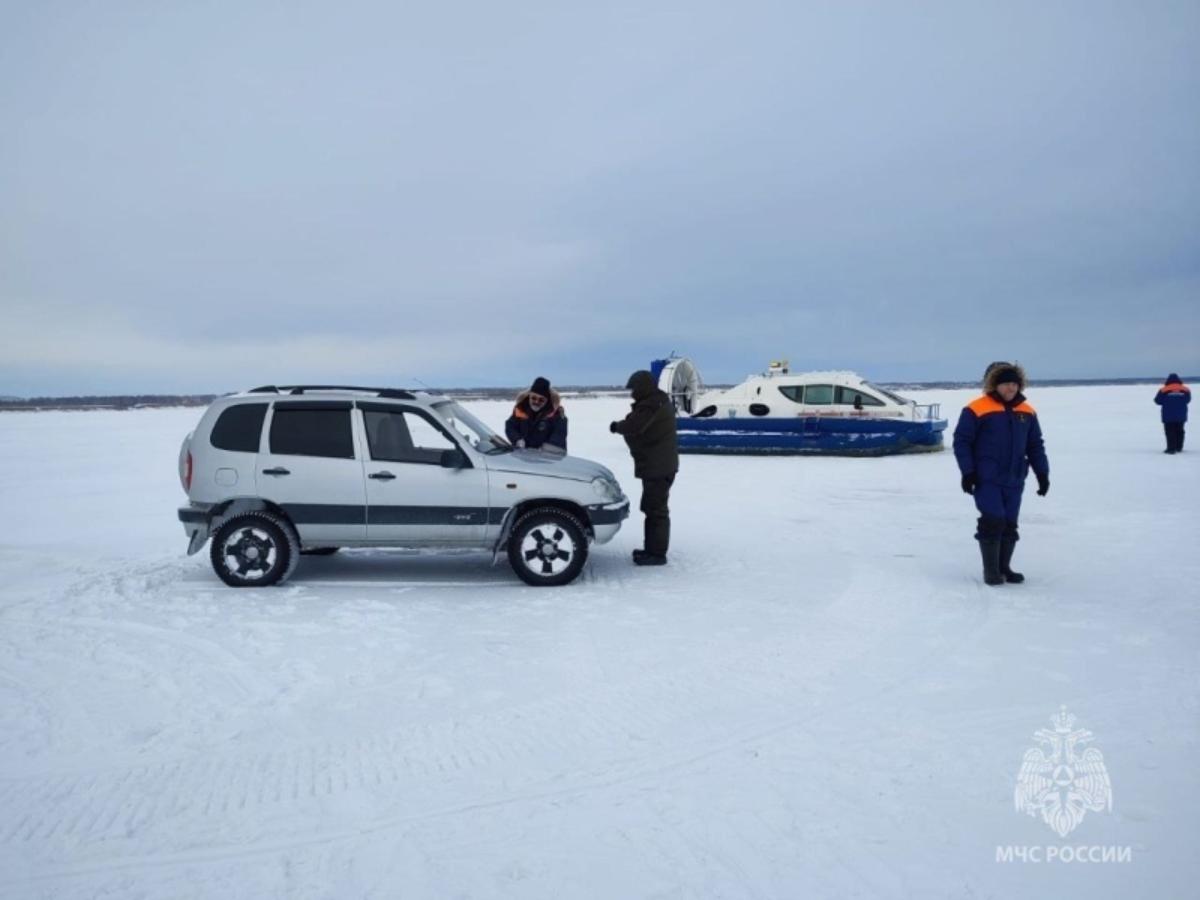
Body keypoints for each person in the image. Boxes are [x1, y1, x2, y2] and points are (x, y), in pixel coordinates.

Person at [953, 362, 1050, 586]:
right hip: (987, 478)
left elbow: (1035, 445)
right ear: (995, 385)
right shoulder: (976, 409)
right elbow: (962, 442)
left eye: (1015, 384)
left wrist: (1042, 473)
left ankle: (1004, 567)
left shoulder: (1027, 412)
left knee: (1009, 523)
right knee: (993, 520)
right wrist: (968, 472)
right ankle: (991, 571)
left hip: (1015, 478)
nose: (1011, 389)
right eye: (1006, 384)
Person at [610, 370, 679, 566]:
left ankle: (657, 554)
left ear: (643, 388)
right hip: (659, 465)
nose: (632, 394)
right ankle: (652, 549)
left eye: (634, 390)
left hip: (659, 466)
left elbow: (635, 426)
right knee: (652, 507)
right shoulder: (656, 402)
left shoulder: (651, 405)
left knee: (656, 510)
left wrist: (617, 426)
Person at [505, 377, 567, 452]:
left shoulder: (557, 415)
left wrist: (543, 450)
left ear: (547, 401)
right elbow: (510, 426)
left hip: (549, 459)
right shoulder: (521, 409)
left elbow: (558, 436)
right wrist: (517, 439)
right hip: (523, 457)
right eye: (533, 398)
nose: (536, 402)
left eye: (541, 400)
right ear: (529, 396)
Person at [1154, 373, 1190, 454]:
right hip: (1181, 414)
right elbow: (1188, 400)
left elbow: (1157, 401)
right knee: (1180, 431)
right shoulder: (1185, 389)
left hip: (1168, 415)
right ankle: (1179, 447)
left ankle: (1171, 449)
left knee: (1170, 431)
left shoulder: (1163, 390)